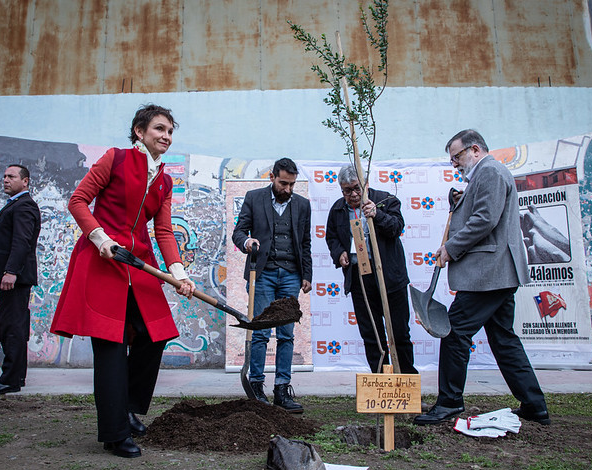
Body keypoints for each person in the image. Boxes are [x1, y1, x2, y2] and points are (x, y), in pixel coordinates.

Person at [50, 104, 195, 458]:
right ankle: (115, 434)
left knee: (155, 334)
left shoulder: (164, 180)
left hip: (138, 265)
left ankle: (125, 406)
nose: (166, 136)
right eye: (159, 129)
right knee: (112, 349)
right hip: (101, 262)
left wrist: (178, 272)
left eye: (170, 131)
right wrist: (101, 240)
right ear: (139, 132)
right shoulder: (114, 159)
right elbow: (78, 200)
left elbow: (162, 230)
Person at [414, 129, 550, 426]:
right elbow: (483, 211)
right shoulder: (487, 175)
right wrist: (462, 200)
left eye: (457, 157)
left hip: (487, 274)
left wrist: (450, 248)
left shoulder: (489, 171)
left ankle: (449, 402)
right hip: (496, 273)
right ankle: (534, 406)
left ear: (474, 149)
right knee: (504, 340)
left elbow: (485, 220)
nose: (455, 164)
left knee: (455, 333)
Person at [231, 157, 312, 413]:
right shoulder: (254, 198)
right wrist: (247, 242)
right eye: (283, 183)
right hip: (262, 274)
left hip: (290, 275)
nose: (288, 189)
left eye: (292, 184)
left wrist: (306, 274)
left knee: (287, 334)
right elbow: (239, 231)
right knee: (261, 332)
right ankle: (256, 387)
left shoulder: (302, 205)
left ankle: (282, 390)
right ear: (272, 177)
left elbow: (306, 243)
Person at [325, 165, 417, 374]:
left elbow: (396, 228)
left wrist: (377, 215)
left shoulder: (386, 200)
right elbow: (331, 237)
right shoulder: (338, 209)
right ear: (341, 190)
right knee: (371, 333)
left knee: (399, 333)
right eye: (347, 190)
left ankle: (407, 383)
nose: (354, 194)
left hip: (390, 277)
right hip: (360, 278)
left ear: (366, 184)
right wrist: (339, 253)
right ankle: (379, 384)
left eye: (357, 188)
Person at [0, 164, 41, 395]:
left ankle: (11, 379)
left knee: (12, 328)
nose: (5, 180)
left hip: (16, 278)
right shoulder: (16, 204)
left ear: (25, 181)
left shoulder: (24, 206)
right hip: (10, 277)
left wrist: (11, 272)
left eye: (11, 176)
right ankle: (13, 377)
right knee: (10, 327)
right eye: (4, 176)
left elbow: (22, 242)